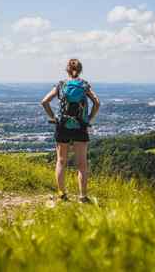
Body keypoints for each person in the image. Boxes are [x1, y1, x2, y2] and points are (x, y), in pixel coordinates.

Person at [41, 58, 100, 203]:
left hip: (63, 125)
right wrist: (89, 118)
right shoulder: (85, 85)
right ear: (80, 70)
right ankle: (83, 197)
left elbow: (44, 102)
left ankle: (62, 195)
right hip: (80, 126)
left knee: (61, 161)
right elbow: (97, 103)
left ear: (67, 70)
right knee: (82, 164)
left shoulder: (61, 85)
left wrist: (54, 117)